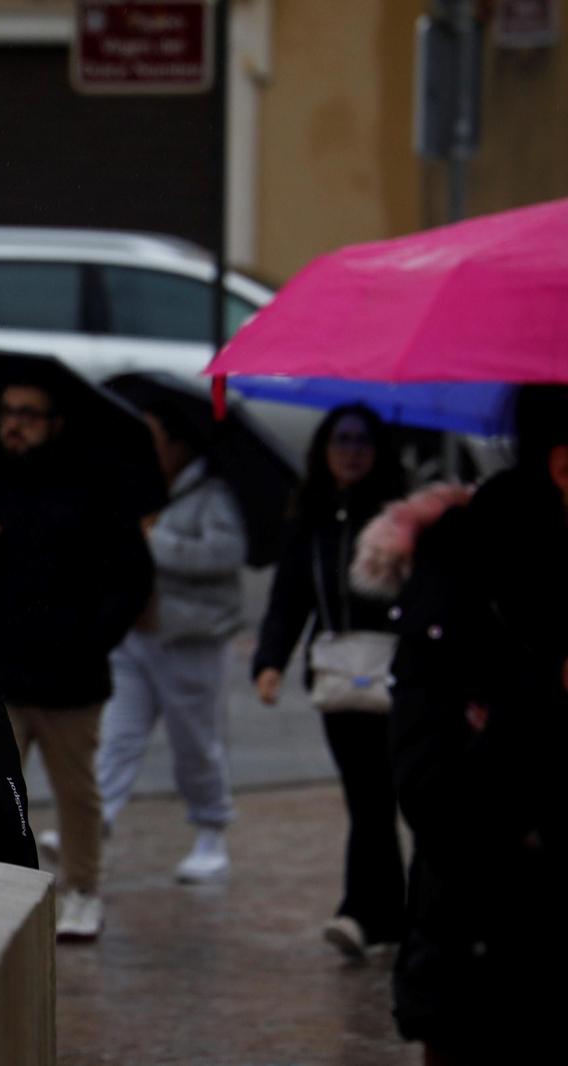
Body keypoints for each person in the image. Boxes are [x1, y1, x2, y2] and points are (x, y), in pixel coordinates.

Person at [0, 374, 154, 941]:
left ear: (55, 423)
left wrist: (92, 639)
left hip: (70, 674)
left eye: (28, 413)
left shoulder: (93, 488)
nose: (14, 423)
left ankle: (82, 888)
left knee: (76, 792)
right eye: (7, 411)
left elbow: (131, 576)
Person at [383, 385, 567, 1064]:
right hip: (486, 974)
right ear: (563, 469)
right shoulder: (462, 581)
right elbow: (437, 800)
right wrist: (548, 689)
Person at [251, 404, 406, 958]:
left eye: (363, 440)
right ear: (323, 448)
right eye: (340, 439)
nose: (351, 450)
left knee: (385, 797)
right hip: (338, 677)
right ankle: (373, 915)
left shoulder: (399, 518)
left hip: (398, 678)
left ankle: (371, 913)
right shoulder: (311, 518)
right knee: (367, 798)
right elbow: (288, 599)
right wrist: (270, 660)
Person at [96, 402, 246, 882]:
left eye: (155, 437)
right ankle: (96, 820)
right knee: (118, 736)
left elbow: (224, 555)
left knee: (196, 744)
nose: (146, 448)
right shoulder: (139, 487)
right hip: (135, 635)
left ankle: (211, 832)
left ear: (180, 445)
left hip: (189, 639)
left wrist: (153, 542)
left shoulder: (211, 494)